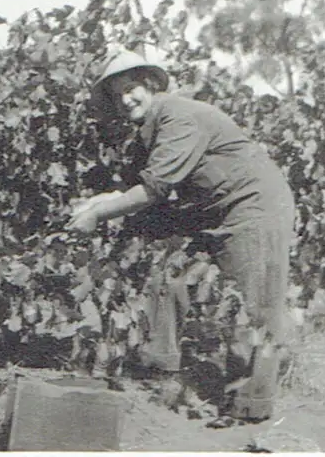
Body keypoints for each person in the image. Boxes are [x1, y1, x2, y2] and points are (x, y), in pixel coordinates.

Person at [65, 48, 297, 427]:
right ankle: (161, 369)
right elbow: (135, 186)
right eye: (117, 95)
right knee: (169, 273)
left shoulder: (177, 116)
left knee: (256, 306)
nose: (126, 100)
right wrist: (97, 201)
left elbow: (153, 190)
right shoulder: (149, 131)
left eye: (133, 89)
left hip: (253, 207)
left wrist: (96, 214)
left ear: (151, 84)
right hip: (210, 211)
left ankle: (250, 409)